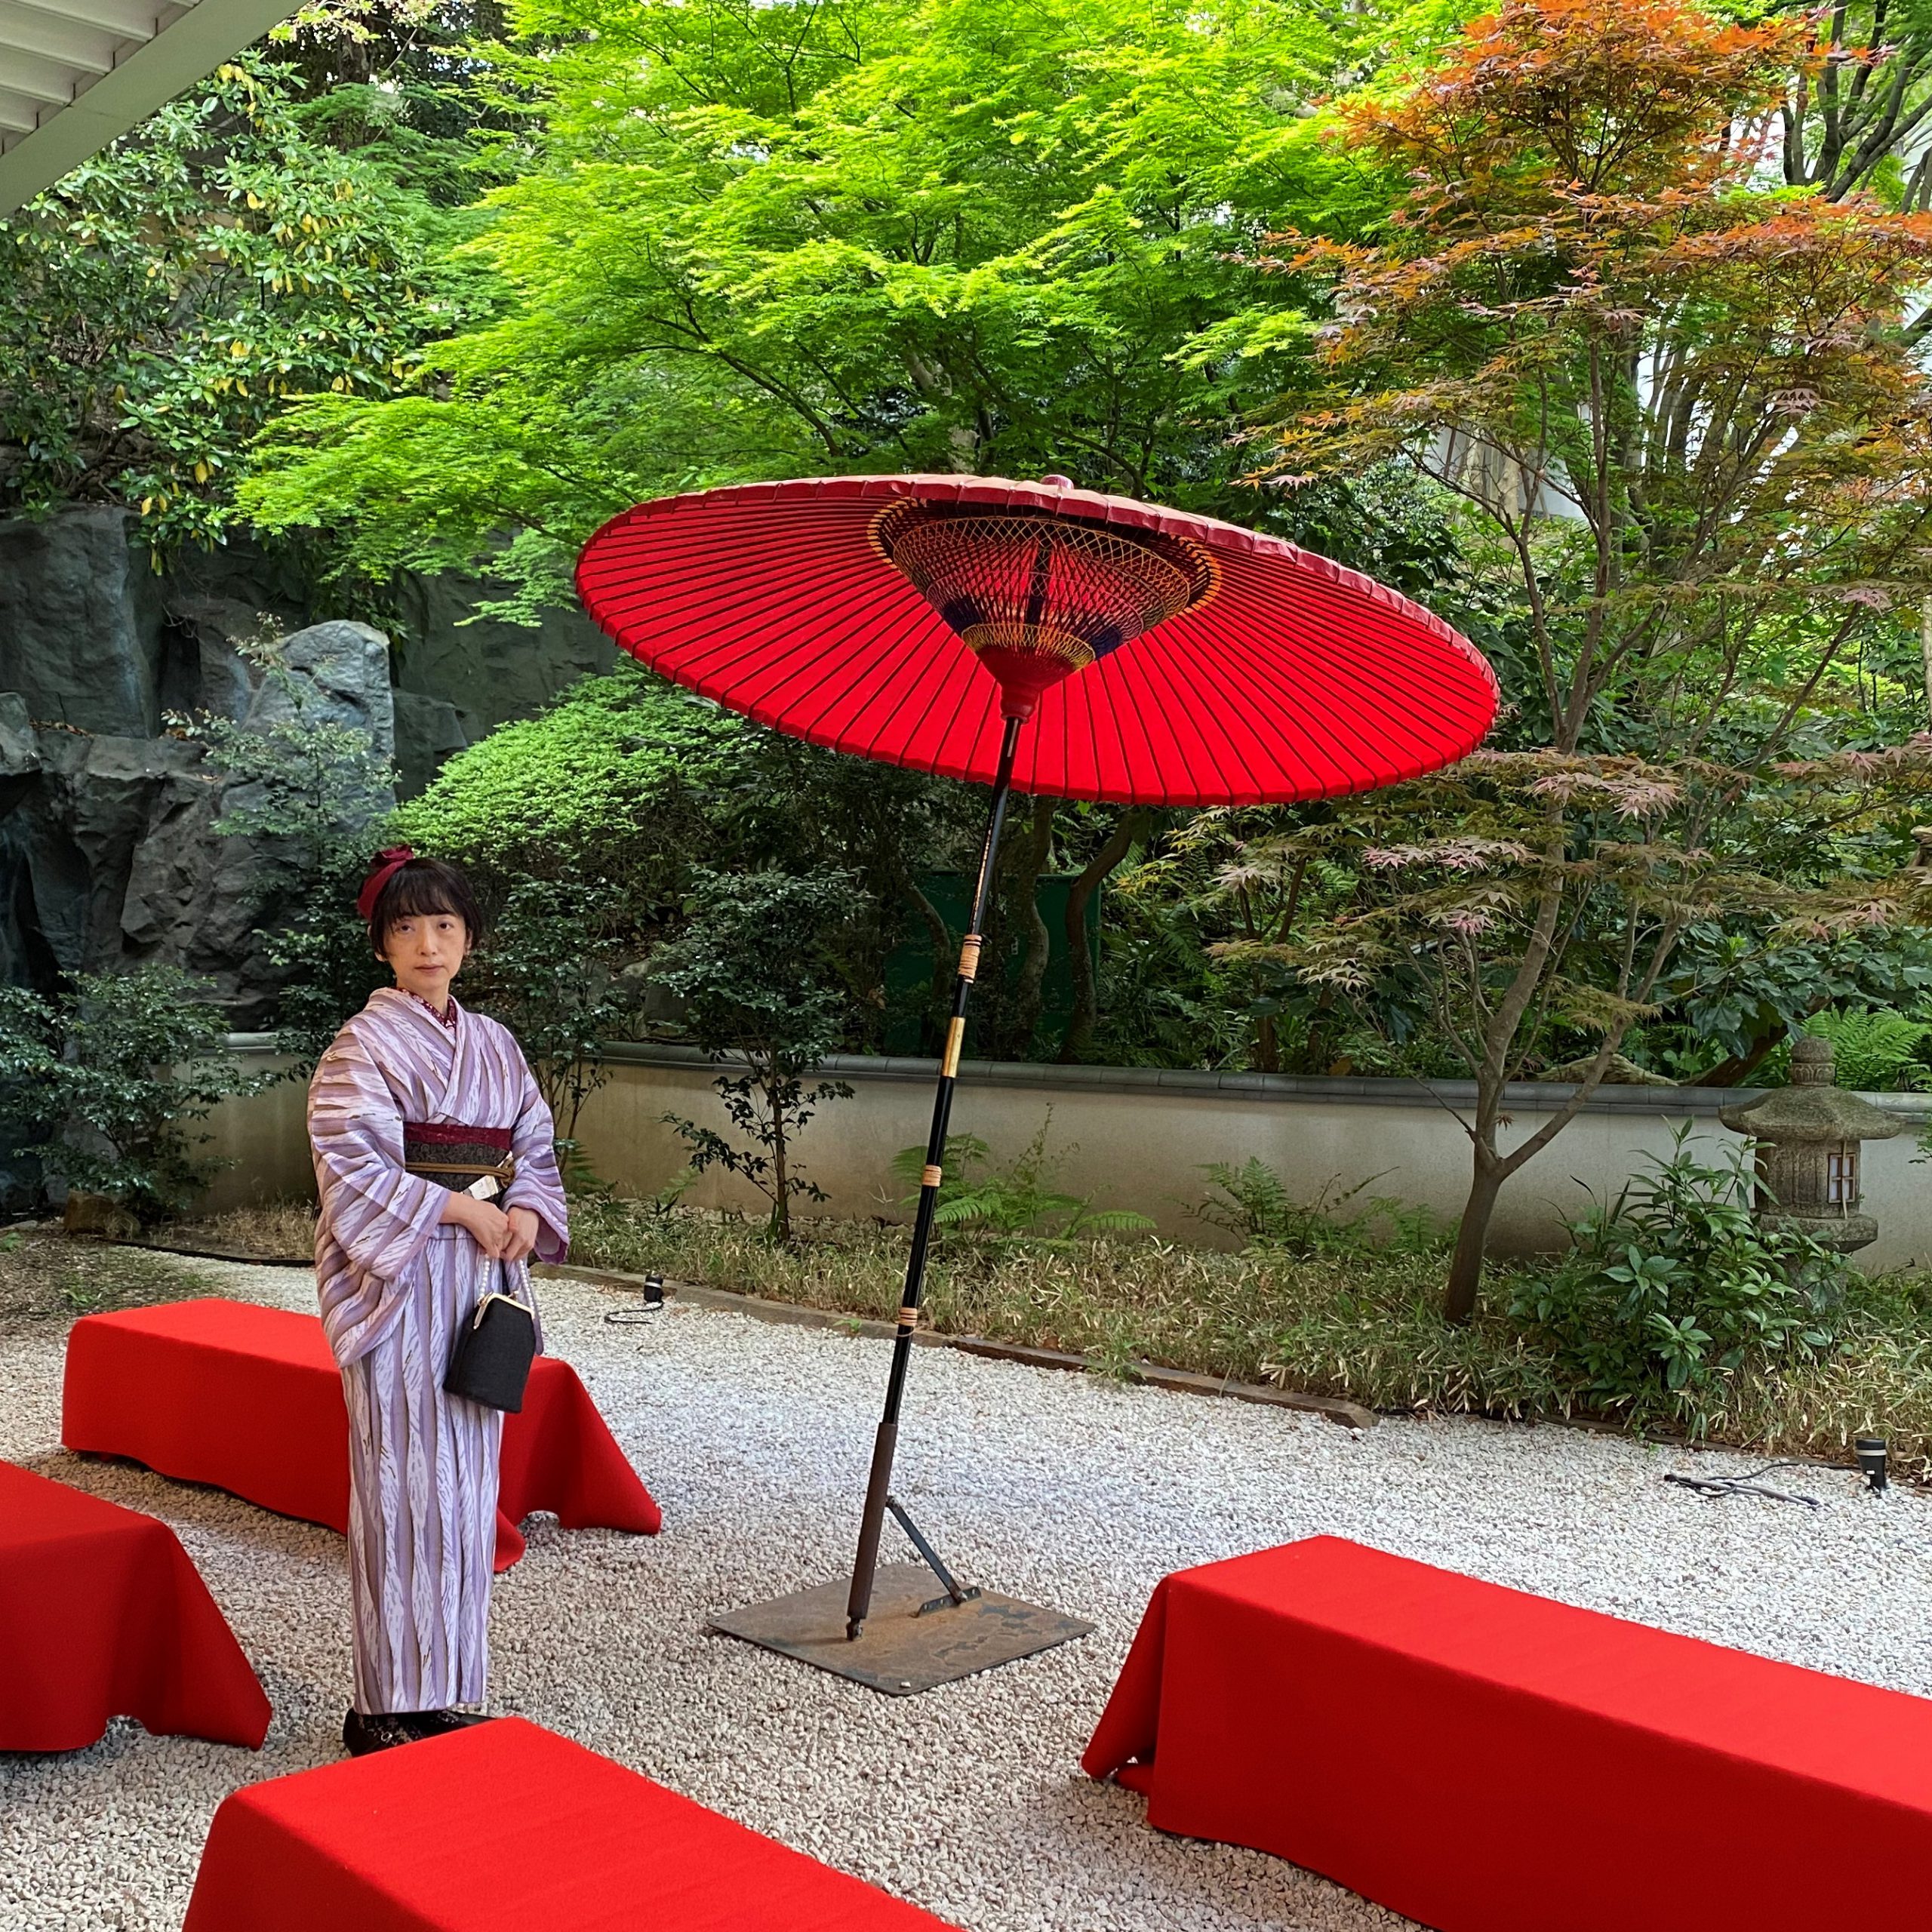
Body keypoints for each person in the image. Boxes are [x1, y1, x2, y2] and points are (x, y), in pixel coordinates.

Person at [307, 846, 567, 1756]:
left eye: (445, 925)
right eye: (408, 927)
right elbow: (350, 1161)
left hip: (480, 1283)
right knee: (400, 1489)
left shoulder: (496, 1043)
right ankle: (383, 1703)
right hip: (402, 1283)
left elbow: (532, 1139)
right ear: (383, 944)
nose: (428, 943)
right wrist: (456, 1206)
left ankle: (448, 1687)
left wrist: (527, 1206)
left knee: (464, 1492)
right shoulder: (362, 1046)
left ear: (468, 939)